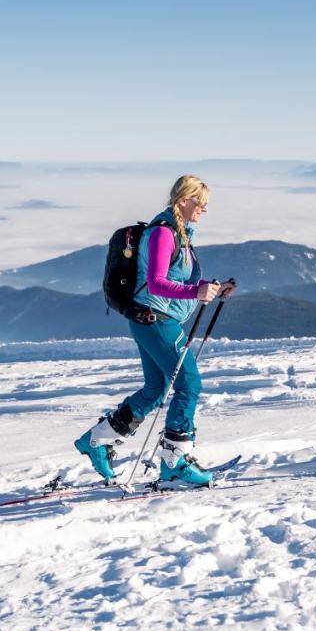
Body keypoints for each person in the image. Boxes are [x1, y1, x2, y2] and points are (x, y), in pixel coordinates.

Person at [75, 175, 236, 486]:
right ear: (182, 201)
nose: (203, 208)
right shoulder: (163, 233)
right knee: (189, 384)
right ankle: (175, 459)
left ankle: (98, 440)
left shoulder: (180, 234)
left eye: (205, 203)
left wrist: (210, 289)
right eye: (199, 201)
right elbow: (158, 282)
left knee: (157, 388)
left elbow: (172, 279)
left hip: (153, 320)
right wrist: (196, 292)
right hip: (157, 320)